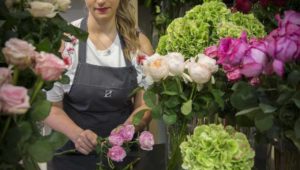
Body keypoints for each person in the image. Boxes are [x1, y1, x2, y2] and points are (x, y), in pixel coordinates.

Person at [44, 0, 154, 169]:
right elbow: (50, 107)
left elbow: (146, 105)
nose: (101, 1)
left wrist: (124, 132)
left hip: (122, 158)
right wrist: (78, 135)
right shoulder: (65, 41)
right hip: (70, 158)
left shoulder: (138, 44)